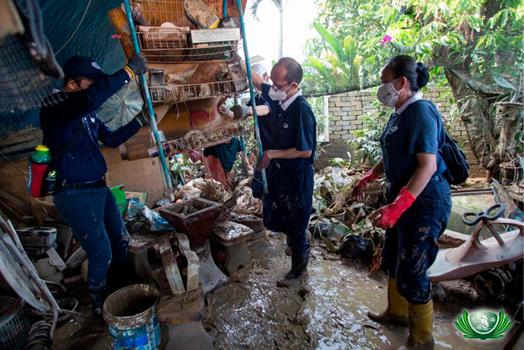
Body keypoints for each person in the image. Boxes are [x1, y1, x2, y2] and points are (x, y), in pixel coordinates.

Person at [352, 55, 451, 350]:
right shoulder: (400, 111)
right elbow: (394, 151)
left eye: (385, 82)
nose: (382, 88)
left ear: (401, 83)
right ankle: (396, 313)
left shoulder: (421, 112)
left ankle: (422, 339)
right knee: (393, 259)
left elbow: (427, 165)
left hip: (424, 202)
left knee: (413, 270)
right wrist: (370, 176)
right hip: (402, 198)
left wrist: (398, 205)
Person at [39, 54, 149, 319]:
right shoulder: (54, 105)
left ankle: (121, 287)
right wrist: (128, 72)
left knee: (120, 240)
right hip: (74, 194)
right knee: (101, 251)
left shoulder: (87, 116)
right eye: (91, 82)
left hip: (99, 189)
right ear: (74, 83)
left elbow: (111, 140)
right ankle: (100, 304)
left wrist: (139, 120)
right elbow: (91, 98)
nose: (96, 88)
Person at [239, 57, 317, 287]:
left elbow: (305, 151)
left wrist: (272, 154)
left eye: (277, 84)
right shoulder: (279, 98)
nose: (272, 88)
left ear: (293, 86)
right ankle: (295, 246)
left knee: (296, 224)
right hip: (280, 174)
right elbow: (257, 83)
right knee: (278, 215)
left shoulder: (301, 110)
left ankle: (298, 271)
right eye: (271, 82)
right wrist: (239, 59)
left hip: (297, 177)